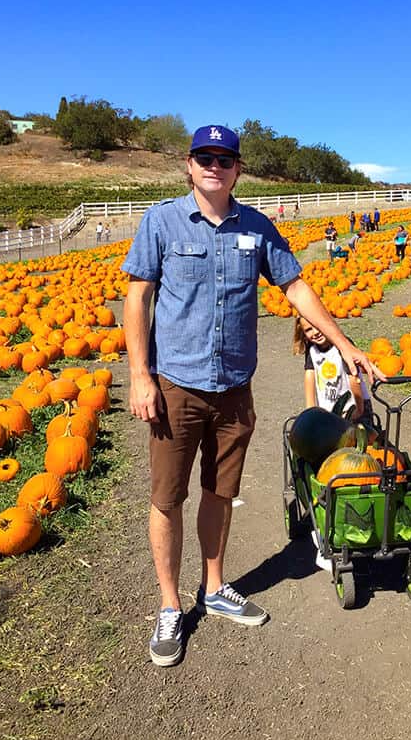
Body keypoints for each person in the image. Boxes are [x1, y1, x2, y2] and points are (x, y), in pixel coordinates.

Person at [122, 124, 380, 667]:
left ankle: (214, 588)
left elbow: (295, 287)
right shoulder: (162, 221)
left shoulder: (258, 228)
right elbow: (138, 297)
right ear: (189, 166)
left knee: (220, 493)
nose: (214, 165)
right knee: (167, 498)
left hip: (235, 391)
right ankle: (170, 605)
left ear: (237, 169)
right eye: (204, 156)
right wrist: (140, 375)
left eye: (225, 158)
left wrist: (345, 344)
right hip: (176, 387)